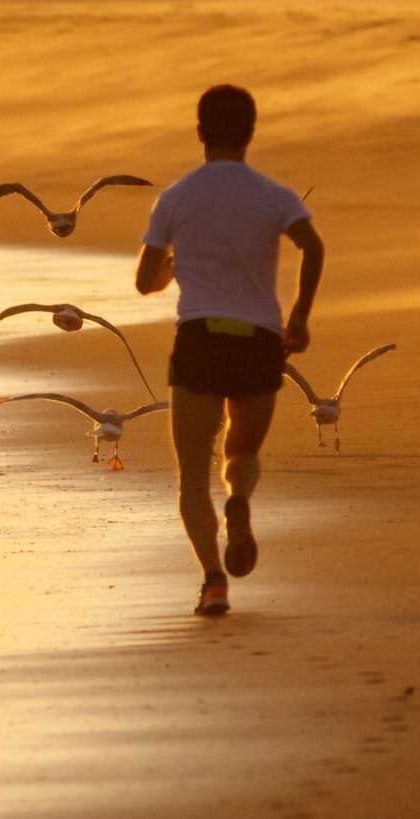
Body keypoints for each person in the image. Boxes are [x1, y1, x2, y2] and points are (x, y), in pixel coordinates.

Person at [136, 84, 325, 619]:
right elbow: (312, 246)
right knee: (241, 454)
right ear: (251, 132)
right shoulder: (274, 195)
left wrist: (173, 267)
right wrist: (300, 317)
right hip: (259, 341)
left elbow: (145, 281)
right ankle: (239, 501)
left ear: (200, 133)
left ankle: (214, 581)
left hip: (199, 339)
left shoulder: (175, 197)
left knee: (192, 473)